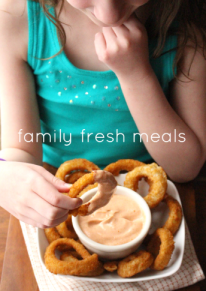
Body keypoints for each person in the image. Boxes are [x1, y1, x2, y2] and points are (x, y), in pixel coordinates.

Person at [0, 0, 206, 228]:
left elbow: (185, 168)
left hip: (149, 183)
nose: (109, 15)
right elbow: (20, 151)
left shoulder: (188, 25)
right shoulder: (15, 18)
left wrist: (136, 75)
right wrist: (6, 175)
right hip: (54, 181)